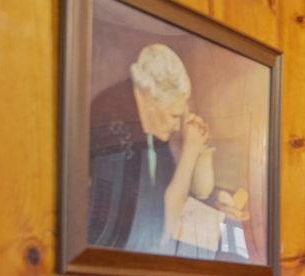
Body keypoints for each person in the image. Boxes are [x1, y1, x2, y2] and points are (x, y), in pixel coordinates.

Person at [85, 42, 213, 253]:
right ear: (150, 98)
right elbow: (162, 231)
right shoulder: (112, 122)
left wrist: (185, 148)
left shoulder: (147, 117)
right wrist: (190, 153)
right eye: (173, 115)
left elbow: (164, 188)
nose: (176, 126)